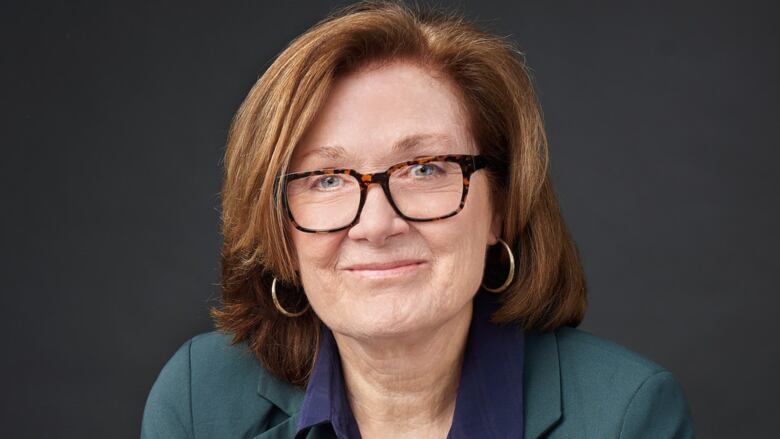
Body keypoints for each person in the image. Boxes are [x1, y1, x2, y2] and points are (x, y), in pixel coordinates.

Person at [141, 1, 694, 438]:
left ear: (500, 204)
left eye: (425, 168)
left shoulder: (624, 415)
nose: (376, 226)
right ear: (278, 223)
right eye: (327, 178)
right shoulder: (200, 399)